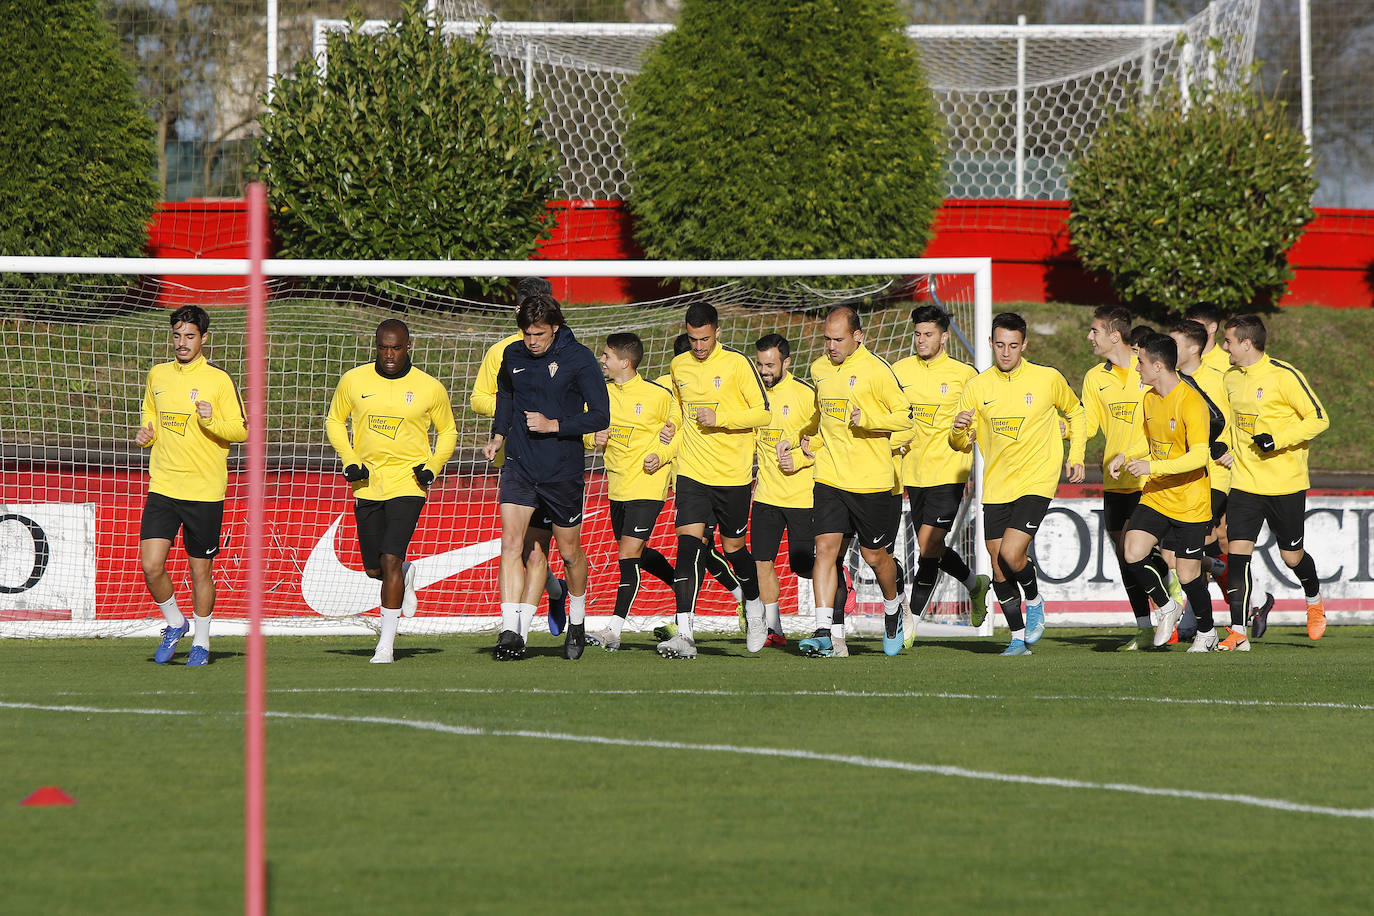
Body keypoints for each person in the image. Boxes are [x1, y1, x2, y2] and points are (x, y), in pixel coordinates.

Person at [951, 311, 1086, 657]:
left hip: (1036, 480)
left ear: (1024, 344)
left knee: (1012, 553)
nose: (1006, 352)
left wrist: (1077, 454)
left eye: (1013, 345)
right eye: (1000, 345)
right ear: (991, 344)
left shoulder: (1047, 378)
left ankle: (1036, 600)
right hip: (996, 485)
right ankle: (1016, 638)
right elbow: (960, 443)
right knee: (998, 565)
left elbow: (1078, 413)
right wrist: (957, 428)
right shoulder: (978, 387)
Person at [484, 294, 610, 661]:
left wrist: (556, 425)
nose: (532, 341)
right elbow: (505, 395)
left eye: (539, 333)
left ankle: (578, 619)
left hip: (561, 472)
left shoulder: (579, 358)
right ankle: (510, 631)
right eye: (527, 334)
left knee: (569, 554)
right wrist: (498, 434)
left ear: (555, 327)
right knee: (512, 544)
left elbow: (600, 416)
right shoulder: (513, 355)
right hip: (520, 466)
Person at [326, 319, 457, 663]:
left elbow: (448, 432)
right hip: (367, 483)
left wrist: (431, 468)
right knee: (375, 569)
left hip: (408, 484)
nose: (389, 354)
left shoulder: (429, 387)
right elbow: (333, 421)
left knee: (390, 559)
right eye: (383, 347)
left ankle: (385, 644)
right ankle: (406, 574)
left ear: (408, 346)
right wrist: (350, 459)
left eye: (396, 348)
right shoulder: (354, 380)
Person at [658, 302, 770, 659]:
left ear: (717, 332)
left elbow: (763, 413)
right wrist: (672, 426)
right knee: (689, 545)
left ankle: (754, 607)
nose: (699, 346)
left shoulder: (737, 364)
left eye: (704, 339)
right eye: (693, 339)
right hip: (692, 470)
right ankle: (685, 632)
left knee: (733, 548)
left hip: (732, 474)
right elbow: (679, 407)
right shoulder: (679, 365)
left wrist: (720, 416)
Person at [136, 305, 247, 666]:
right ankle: (174, 622)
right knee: (152, 565)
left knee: (200, 571)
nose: (182, 343)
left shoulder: (218, 380)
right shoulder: (157, 374)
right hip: (164, 485)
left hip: (204, 491)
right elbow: (150, 414)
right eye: (177, 335)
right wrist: (146, 434)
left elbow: (242, 430)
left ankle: (201, 641)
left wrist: (212, 421)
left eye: (190, 336)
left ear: (204, 339)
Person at [804, 306, 914, 658]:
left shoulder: (877, 371)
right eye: (826, 339)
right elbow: (822, 420)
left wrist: (868, 420)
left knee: (875, 556)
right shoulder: (819, 369)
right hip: (830, 477)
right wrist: (807, 440)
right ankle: (825, 631)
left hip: (871, 484)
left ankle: (894, 607)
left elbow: (906, 421)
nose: (831, 346)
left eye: (838, 339)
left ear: (858, 337)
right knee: (825, 550)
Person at [1219, 314, 1330, 648]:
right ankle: (1237, 631)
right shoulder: (1230, 378)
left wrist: (1277, 438)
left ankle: (1313, 601)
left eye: (1228, 341)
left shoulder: (1284, 375)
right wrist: (1223, 444)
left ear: (1247, 343)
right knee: (1237, 556)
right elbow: (1230, 423)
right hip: (1244, 483)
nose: (1224, 347)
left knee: (1291, 557)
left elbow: (1319, 418)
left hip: (1285, 484)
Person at [1107, 333, 1223, 651]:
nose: (1137, 368)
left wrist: (1151, 468)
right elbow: (1149, 441)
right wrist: (1127, 456)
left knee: (1187, 574)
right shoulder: (1149, 398)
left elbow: (1199, 456)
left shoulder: (1191, 402)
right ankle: (1167, 606)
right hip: (1158, 494)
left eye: (1141, 362)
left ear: (1158, 366)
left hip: (1189, 500)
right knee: (1131, 550)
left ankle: (1207, 632)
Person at [470, 277, 569, 637]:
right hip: (514, 461)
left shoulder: (566, 351)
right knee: (514, 546)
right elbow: (479, 398)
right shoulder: (502, 352)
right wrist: (512, 410)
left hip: (553, 463)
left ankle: (520, 632)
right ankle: (553, 591)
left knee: (535, 551)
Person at [891, 305, 990, 646]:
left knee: (927, 545)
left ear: (944, 337)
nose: (921, 340)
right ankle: (975, 585)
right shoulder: (898, 370)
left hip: (950, 470)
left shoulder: (965, 374)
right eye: (917, 334)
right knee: (932, 546)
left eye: (928, 334)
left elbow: (976, 423)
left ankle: (911, 621)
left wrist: (967, 432)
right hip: (912, 472)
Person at [1170, 318, 1275, 638]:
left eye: (1174, 343)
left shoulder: (1218, 379)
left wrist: (1230, 448)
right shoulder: (1171, 381)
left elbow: (1236, 420)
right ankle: (1255, 598)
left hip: (1215, 475)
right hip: (1184, 475)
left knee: (1183, 547)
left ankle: (1189, 620)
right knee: (1201, 547)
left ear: (1193, 348)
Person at [582, 333, 679, 651]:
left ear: (625, 361)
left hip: (648, 485)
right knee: (635, 552)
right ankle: (683, 585)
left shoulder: (657, 395)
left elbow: (681, 430)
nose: (602, 360)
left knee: (628, 554)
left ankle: (613, 629)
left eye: (606, 355)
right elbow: (584, 429)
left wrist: (661, 455)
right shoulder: (600, 394)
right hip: (618, 486)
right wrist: (590, 438)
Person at [652, 333, 748, 640]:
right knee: (694, 550)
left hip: (701, 477)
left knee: (698, 549)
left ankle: (692, 616)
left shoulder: (663, 385)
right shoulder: (667, 387)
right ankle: (694, 612)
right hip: (682, 476)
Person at [1079, 305, 1160, 651]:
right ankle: (1144, 627)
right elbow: (1089, 424)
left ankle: (1175, 606)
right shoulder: (1095, 377)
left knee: (1141, 551)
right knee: (1125, 555)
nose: (1089, 337)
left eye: (1094, 331)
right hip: (1115, 481)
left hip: (1151, 478)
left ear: (1115, 335)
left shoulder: (1150, 367)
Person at [751, 334, 822, 649]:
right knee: (761, 561)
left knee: (804, 566)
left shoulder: (807, 395)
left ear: (786, 362)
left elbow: (825, 441)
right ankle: (774, 628)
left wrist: (797, 460)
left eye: (770, 364)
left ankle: (838, 581)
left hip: (802, 497)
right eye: (760, 364)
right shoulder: (751, 394)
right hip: (765, 495)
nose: (764, 370)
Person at [1184, 302, 1231, 375]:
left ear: (1213, 328)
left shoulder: (1228, 365)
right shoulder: (1178, 360)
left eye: (1195, 326)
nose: (1188, 331)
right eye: (1186, 326)